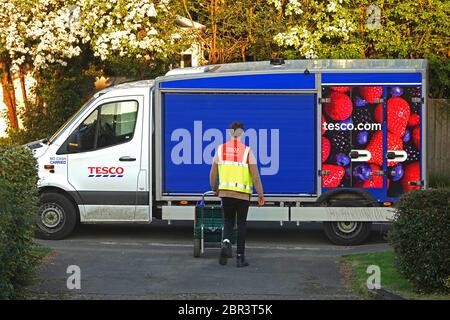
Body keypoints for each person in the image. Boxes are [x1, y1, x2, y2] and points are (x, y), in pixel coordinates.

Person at [210, 121, 264, 267]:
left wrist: (215, 188)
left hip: (226, 194)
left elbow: (213, 173)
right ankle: (240, 258)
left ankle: (226, 243)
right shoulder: (247, 151)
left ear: (229, 132)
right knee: (241, 225)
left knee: (228, 222)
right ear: (242, 133)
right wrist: (260, 195)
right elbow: (255, 176)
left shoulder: (220, 150)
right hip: (243, 196)